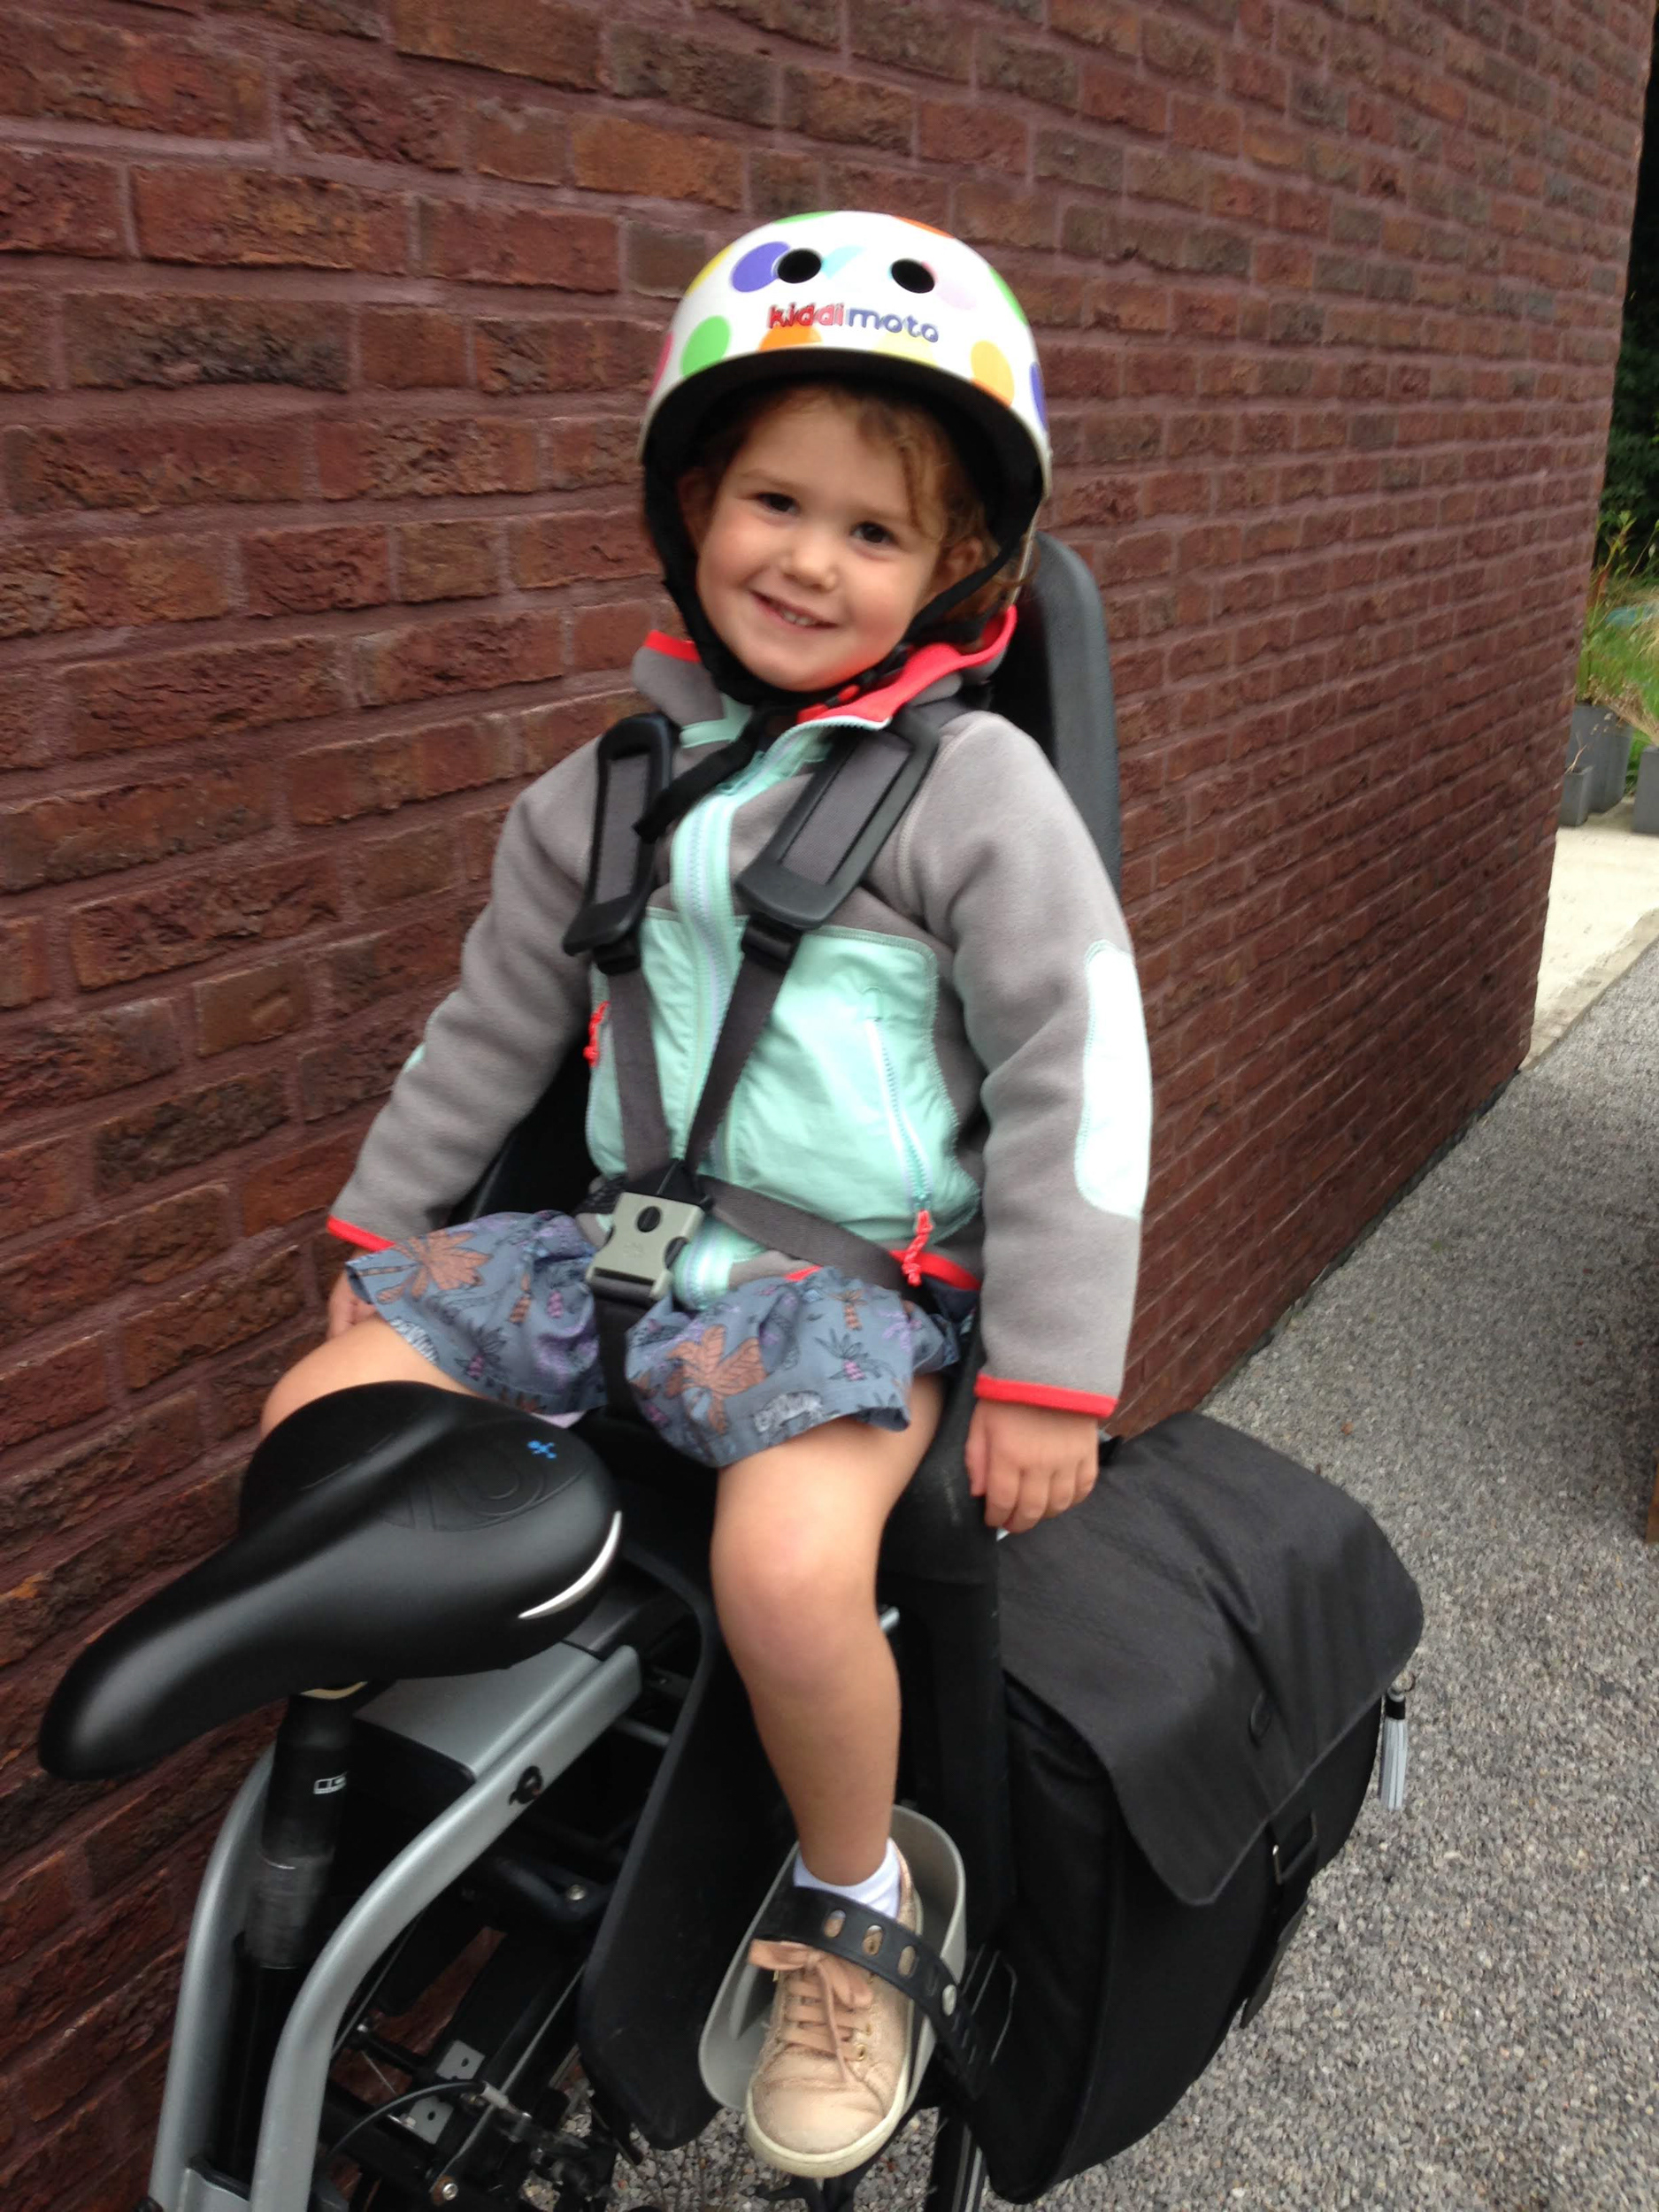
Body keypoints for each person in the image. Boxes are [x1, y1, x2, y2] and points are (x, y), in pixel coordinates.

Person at [261, 211, 1153, 2179]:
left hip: (840, 1297)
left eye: (871, 530)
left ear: (959, 573)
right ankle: (418, 1712)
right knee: (318, 1414)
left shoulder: (974, 800)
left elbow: (1079, 1075)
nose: (809, 559)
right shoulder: (601, 790)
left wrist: (1048, 1372)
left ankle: (853, 1894)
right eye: (775, 501)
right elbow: (486, 1030)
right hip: (610, 1254)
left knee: (785, 1573)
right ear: (691, 507)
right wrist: (377, 1235)